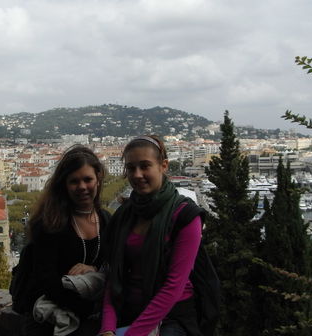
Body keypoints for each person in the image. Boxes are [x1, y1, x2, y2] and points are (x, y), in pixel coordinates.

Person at [100, 135, 203, 336]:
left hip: (172, 317)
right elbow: (114, 277)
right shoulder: (124, 214)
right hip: (127, 309)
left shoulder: (186, 217)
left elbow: (173, 286)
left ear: (163, 166)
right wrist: (107, 328)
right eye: (131, 168)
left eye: (145, 166)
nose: (137, 174)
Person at [24, 145, 111, 336]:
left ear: (98, 179)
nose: (82, 187)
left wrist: (94, 270)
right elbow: (44, 279)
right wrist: (90, 308)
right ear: (64, 184)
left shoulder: (105, 220)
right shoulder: (50, 222)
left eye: (87, 179)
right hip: (51, 320)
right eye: (74, 181)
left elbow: (111, 267)